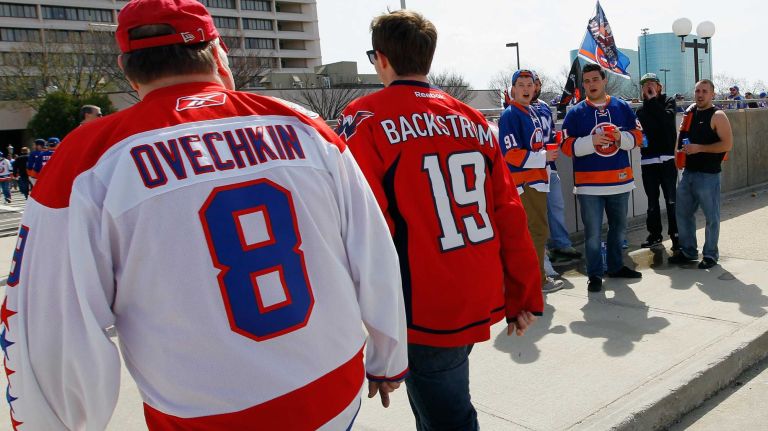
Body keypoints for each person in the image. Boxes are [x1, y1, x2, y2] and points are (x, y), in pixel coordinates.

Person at [2, 1, 408, 429]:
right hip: (331, 388)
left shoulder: (88, 158)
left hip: (205, 412)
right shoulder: (305, 125)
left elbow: (52, 325)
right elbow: (373, 250)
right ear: (218, 53)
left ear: (127, 68)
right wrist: (388, 355)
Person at [338, 10, 543, 430]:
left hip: (422, 298)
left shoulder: (367, 117)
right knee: (444, 406)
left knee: (448, 418)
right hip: (473, 285)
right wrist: (522, 293)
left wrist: (380, 341)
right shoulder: (471, 118)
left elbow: (365, 230)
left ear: (381, 58)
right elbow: (507, 211)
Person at [561, 64, 643, 292]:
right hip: (589, 186)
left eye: (595, 79)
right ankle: (594, 274)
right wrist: (591, 142)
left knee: (619, 229)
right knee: (593, 234)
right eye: (586, 81)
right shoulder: (575, 112)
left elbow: (638, 136)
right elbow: (566, 145)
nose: (591, 84)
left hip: (620, 181)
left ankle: (616, 266)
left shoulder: (622, 107)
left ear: (604, 80)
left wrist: (620, 137)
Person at [500, 70, 564, 294]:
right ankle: (538, 280)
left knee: (531, 232)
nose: (526, 88)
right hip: (526, 183)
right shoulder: (511, 114)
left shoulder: (530, 112)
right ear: (513, 89)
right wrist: (544, 157)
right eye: (521, 84)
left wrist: (546, 152)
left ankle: (526, 279)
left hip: (535, 179)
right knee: (536, 231)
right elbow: (510, 153)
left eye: (529, 84)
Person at [669, 79, 733, 269]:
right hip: (688, 173)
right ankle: (688, 251)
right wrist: (676, 156)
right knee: (683, 214)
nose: (700, 94)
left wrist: (700, 149)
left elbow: (726, 145)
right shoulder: (689, 113)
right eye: (697, 90)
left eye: (705, 91)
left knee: (711, 217)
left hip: (708, 175)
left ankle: (710, 255)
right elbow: (680, 138)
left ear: (712, 94)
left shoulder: (718, 116)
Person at [531, 74, 582, 265]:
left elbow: (550, 132)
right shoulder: (519, 108)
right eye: (529, 85)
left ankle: (561, 243)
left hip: (550, 166)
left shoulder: (544, 106)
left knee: (556, 206)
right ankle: (541, 250)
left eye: (536, 84)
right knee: (536, 212)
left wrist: (556, 140)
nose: (533, 88)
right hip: (532, 168)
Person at [636, 73, 679, 250]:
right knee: (652, 202)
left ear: (659, 87)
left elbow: (666, 121)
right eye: (645, 85)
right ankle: (654, 234)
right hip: (649, 161)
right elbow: (647, 130)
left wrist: (654, 101)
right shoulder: (640, 110)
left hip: (667, 160)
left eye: (652, 84)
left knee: (671, 200)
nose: (648, 87)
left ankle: (676, 235)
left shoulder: (669, 102)